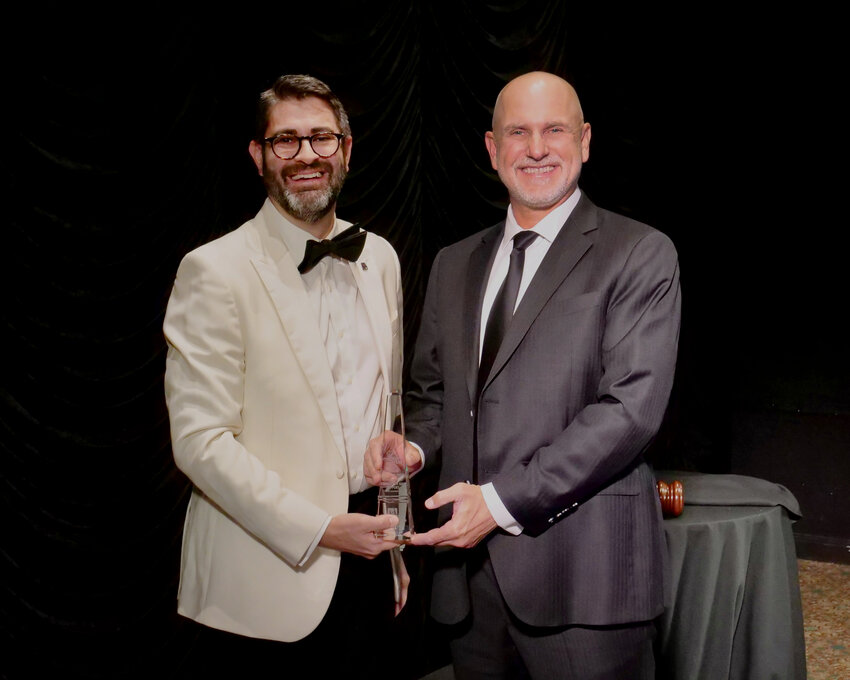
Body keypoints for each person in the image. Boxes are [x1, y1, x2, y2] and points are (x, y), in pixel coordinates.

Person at [367, 71, 681, 679]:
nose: (536, 148)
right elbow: (434, 399)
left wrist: (500, 502)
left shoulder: (640, 253)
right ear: (491, 148)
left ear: (585, 141)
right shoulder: (453, 263)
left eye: (554, 129)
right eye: (518, 132)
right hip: (468, 589)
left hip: (584, 585)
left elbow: (629, 412)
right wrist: (410, 446)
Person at [164, 74, 407, 676]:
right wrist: (322, 529)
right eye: (286, 142)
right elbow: (200, 442)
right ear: (259, 156)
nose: (306, 157)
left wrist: (394, 547)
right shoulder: (214, 270)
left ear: (346, 150)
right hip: (264, 583)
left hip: (370, 563)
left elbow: (386, 409)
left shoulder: (379, 258)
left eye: (322, 140)